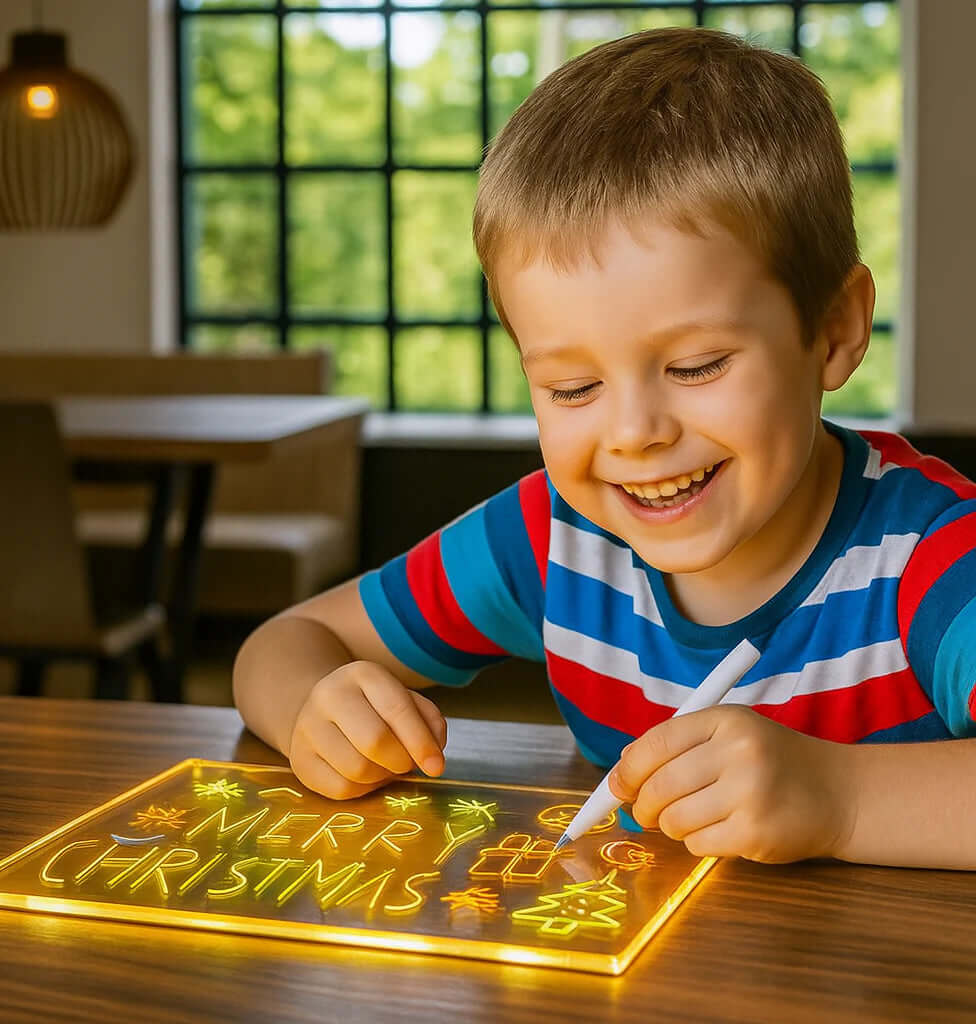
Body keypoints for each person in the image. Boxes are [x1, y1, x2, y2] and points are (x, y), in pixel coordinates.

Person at [233, 27, 976, 871]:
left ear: (835, 329)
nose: (633, 434)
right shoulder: (553, 543)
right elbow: (282, 643)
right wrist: (313, 708)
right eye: (572, 388)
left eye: (696, 366)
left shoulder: (932, 559)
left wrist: (841, 803)